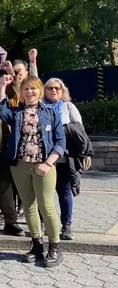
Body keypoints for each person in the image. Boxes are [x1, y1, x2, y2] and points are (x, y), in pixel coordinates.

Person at [0, 74, 65, 267]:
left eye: (33, 88)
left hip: (44, 166)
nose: (30, 92)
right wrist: (2, 86)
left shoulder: (50, 112)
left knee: (47, 206)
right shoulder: (17, 112)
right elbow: (0, 110)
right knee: (29, 206)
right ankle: (36, 244)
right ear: (21, 93)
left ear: (39, 91)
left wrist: (48, 163)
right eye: (26, 89)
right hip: (20, 165)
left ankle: (55, 246)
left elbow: (60, 142)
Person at [43, 77, 83, 241]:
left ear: (62, 91)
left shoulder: (68, 107)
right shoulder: (41, 108)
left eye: (57, 88)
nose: (54, 91)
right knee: (45, 194)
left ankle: (66, 225)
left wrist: (61, 128)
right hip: (44, 159)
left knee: (64, 192)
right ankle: (46, 225)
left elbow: (79, 129)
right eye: (50, 88)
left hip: (64, 158)